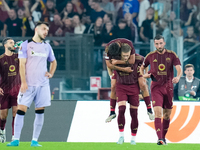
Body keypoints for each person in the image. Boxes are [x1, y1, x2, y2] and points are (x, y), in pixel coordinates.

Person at [7, 22, 57, 147]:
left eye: (47, 30)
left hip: (43, 85)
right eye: (44, 29)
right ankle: (16, 139)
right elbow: (22, 65)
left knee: (40, 111)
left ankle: (34, 140)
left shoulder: (47, 46)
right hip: (28, 84)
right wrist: (23, 82)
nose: (46, 32)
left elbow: (54, 62)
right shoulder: (25, 45)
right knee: (21, 110)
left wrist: (51, 73)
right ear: (36, 29)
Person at [140, 34, 182, 145]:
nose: (159, 45)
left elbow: (178, 68)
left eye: (161, 43)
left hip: (168, 88)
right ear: (154, 44)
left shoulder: (171, 55)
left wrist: (177, 77)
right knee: (158, 113)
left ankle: (163, 138)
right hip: (156, 88)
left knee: (167, 115)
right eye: (157, 44)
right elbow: (142, 68)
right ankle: (159, 139)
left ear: (164, 43)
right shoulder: (150, 56)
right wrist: (144, 76)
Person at [112, 44, 140, 145]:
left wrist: (143, 75)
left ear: (131, 54)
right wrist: (111, 74)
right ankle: (121, 136)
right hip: (121, 86)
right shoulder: (115, 59)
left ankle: (133, 138)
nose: (125, 57)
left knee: (134, 114)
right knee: (121, 109)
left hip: (133, 87)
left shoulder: (138, 58)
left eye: (127, 55)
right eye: (123, 55)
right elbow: (109, 65)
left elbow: (146, 63)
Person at [0, 37, 21, 143]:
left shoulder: (18, 57)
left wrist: (22, 48)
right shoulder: (1, 59)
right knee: (3, 116)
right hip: (4, 90)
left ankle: (14, 136)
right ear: (5, 45)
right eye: (11, 43)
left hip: (17, 90)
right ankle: (2, 132)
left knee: (15, 113)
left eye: (14, 43)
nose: (13, 44)